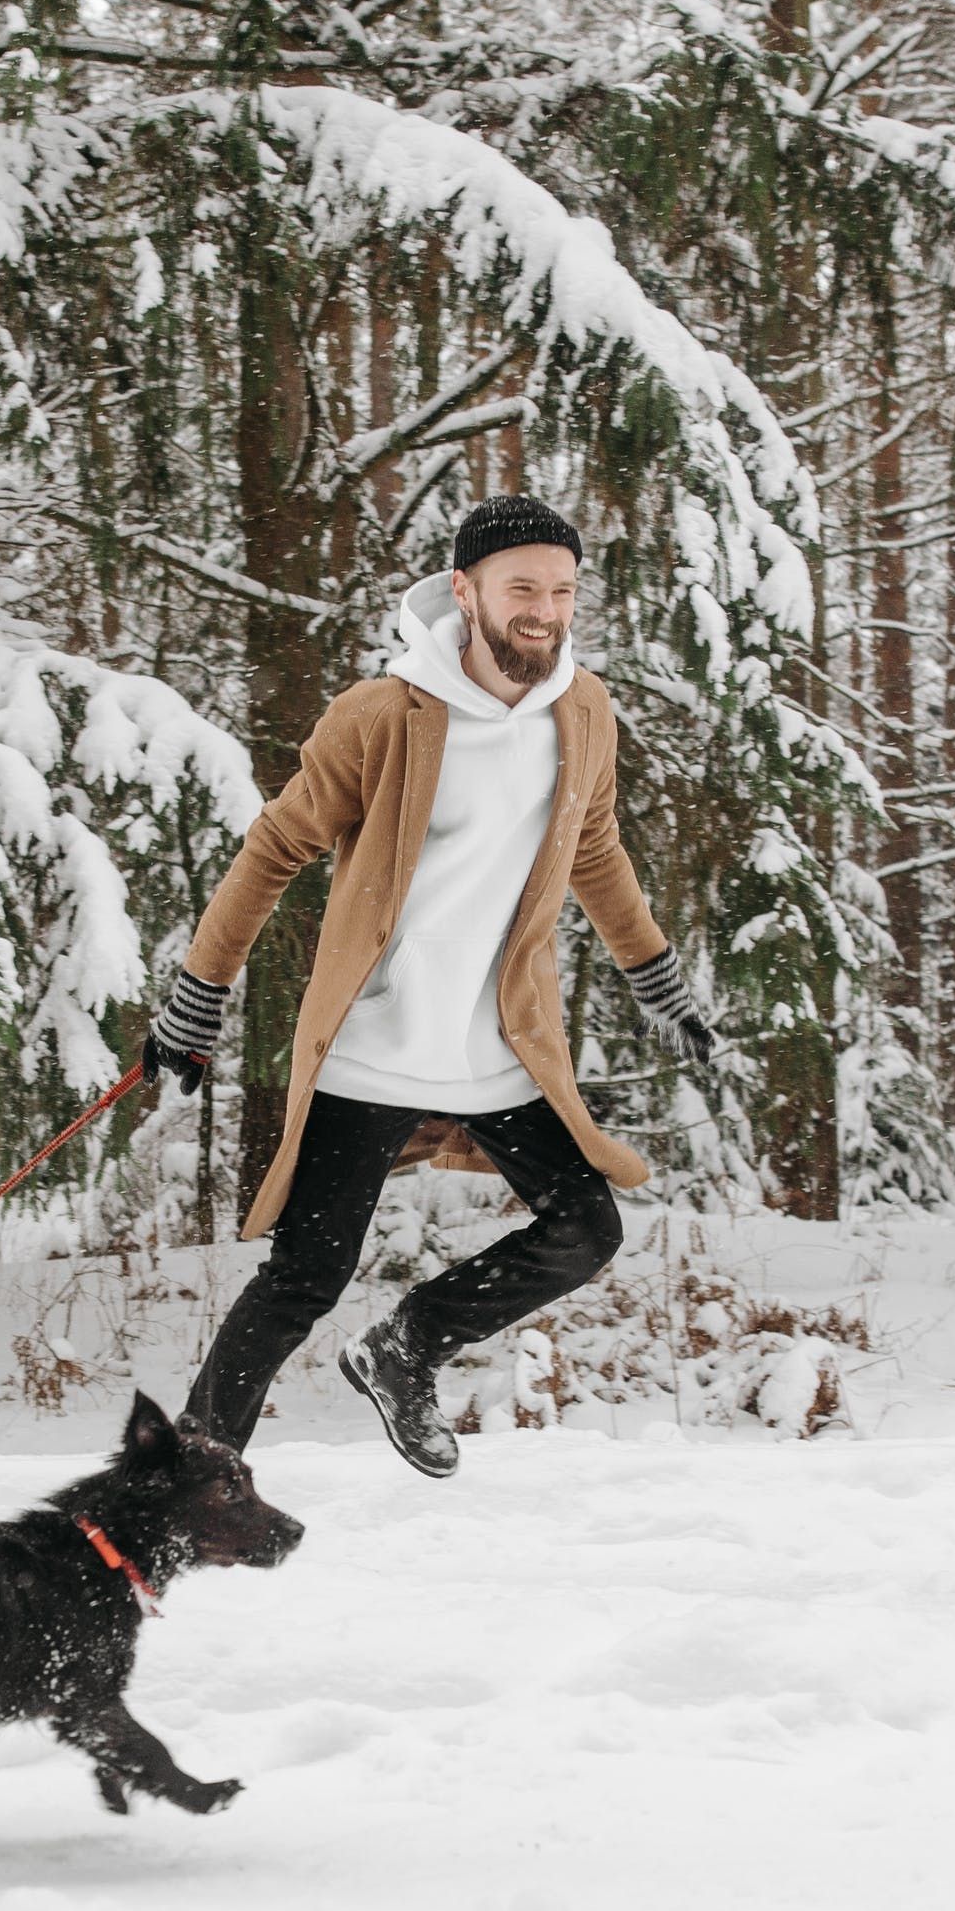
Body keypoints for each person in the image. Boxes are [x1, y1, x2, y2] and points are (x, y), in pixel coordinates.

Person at [144, 496, 720, 1476]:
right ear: (465, 592)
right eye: (521, 588)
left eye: (562, 590)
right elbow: (274, 849)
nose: (544, 609)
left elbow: (596, 853)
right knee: (304, 1279)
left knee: (584, 1228)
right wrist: (198, 995)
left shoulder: (583, 712)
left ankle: (408, 1342)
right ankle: (185, 1484)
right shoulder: (380, 716)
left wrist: (657, 979)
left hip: (498, 1047)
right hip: (371, 1048)